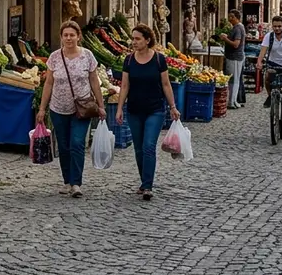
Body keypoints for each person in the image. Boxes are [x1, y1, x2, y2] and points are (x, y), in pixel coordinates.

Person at [37, 21, 106, 198]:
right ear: (61, 37)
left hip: (82, 108)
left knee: (77, 143)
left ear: (78, 37)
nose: (69, 38)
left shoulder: (87, 56)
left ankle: (76, 183)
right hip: (58, 108)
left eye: (72, 35)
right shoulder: (54, 57)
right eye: (65, 35)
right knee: (64, 145)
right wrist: (42, 108)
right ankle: (67, 180)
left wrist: (100, 105)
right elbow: (49, 83)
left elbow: (94, 81)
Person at [116, 24, 181, 201]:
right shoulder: (129, 60)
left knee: (148, 146)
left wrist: (173, 106)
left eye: (137, 39)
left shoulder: (159, 59)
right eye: (133, 38)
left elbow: (166, 84)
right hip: (134, 110)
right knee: (138, 149)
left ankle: (147, 186)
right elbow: (125, 85)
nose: (134, 42)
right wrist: (120, 108)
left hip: (155, 110)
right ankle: (144, 180)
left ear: (147, 40)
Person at [222, 10, 247, 109]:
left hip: (235, 57)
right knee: (234, 79)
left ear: (237, 18)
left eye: (232, 17)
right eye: (229, 16)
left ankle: (232, 101)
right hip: (234, 57)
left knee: (234, 80)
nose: (230, 19)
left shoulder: (238, 28)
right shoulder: (237, 27)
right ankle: (234, 101)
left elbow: (236, 44)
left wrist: (225, 39)